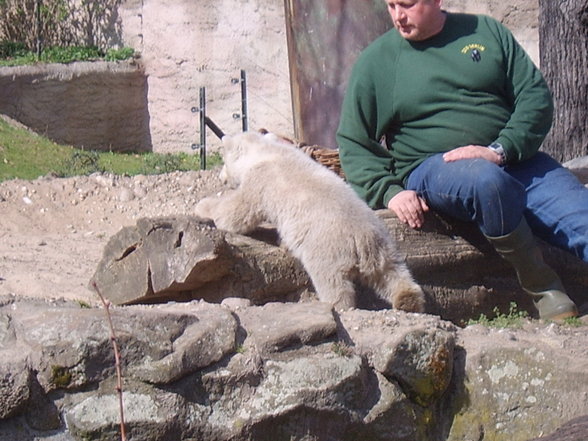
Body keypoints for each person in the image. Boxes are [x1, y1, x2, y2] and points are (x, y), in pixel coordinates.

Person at [336, 0, 588, 320]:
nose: (398, 15)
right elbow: (354, 140)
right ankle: (542, 285)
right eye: (391, 5)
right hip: (436, 167)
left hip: (514, 158)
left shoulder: (486, 31)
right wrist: (388, 191)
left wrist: (501, 148)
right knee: (486, 181)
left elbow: (534, 98)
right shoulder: (377, 62)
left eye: (408, 4)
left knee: (582, 218)